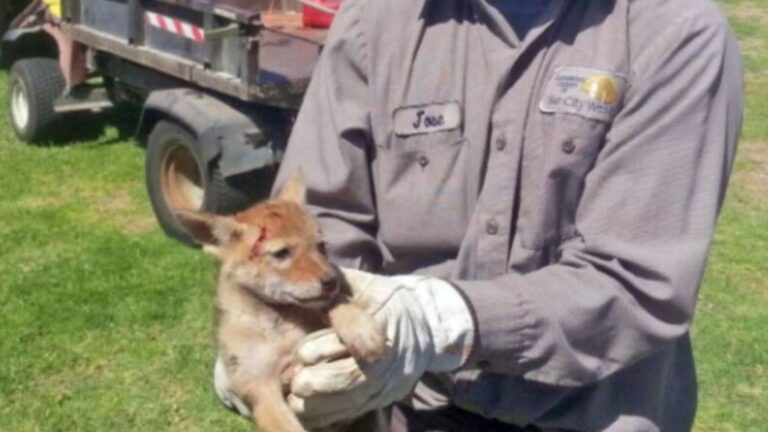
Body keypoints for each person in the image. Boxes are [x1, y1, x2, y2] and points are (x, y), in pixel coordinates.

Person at [217, 0, 744, 430]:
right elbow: (323, 223)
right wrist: (276, 336)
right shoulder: (374, 25)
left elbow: (634, 283)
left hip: (591, 416)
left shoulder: (674, 33)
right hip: (409, 411)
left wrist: (442, 320)